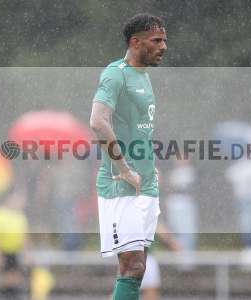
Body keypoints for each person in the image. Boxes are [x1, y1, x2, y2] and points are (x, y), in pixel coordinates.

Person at [90, 13, 167, 300]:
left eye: (165, 40)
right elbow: (98, 121)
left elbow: (138, 129)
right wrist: (123, 168)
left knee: (139, 268)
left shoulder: (143, 76)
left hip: (144, 183)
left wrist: (150, 165)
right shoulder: (116, 73)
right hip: (122, 184)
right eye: (156, 40)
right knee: (131, 266)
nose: (164, 46)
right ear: (135, 42)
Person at [0, 188, 30, 299]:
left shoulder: (20, 216)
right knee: (8, 280)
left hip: (15, 252)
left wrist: (26, 254)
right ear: (9, 199)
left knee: (16, 280)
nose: (21, 202)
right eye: (18, 199)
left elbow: (24, 237)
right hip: (4, 251)